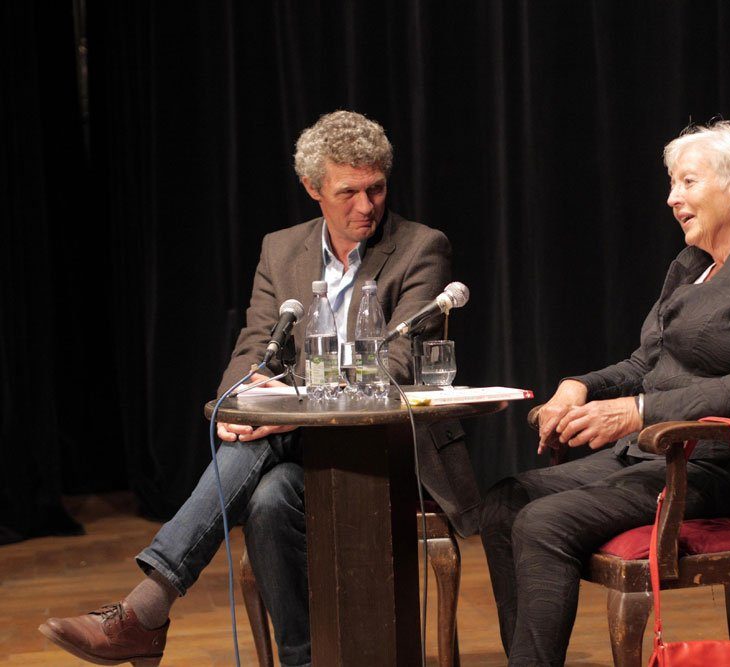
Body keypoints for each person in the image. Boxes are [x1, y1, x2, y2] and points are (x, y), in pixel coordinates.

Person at [39, 110, 479, 667]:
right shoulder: (281, 249)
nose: (366, 206)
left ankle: (146, 610)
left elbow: (393, 367)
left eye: (377, 189)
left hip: (387, 446)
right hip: (299, 449)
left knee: (261, 448)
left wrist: (286, 412)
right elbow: (253, 346)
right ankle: (303, 658)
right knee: (269, 500)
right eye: (349, 192)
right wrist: (240, 400)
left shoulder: (421, 247)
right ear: (312, 188)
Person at [479, 120, 730, 666]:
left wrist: (640, 412)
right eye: (672, 184)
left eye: (687, 182)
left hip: (727, 467)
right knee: (504, 503)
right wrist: (581, 386)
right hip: (658, 455)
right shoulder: (693, 266)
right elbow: (648, 361)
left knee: (544, 523)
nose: (672, 198)